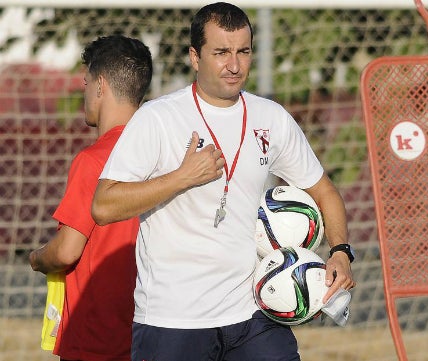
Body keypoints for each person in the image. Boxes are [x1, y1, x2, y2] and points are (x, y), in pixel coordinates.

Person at [91, 2, 355, 360]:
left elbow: (324, 191)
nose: (234, 65)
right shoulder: (158, 118)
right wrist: (181, 178)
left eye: (243, 52)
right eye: (221, 53)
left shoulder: (271, 117)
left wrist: (340, 251)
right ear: (194, 57)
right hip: (172, 319)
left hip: (252, 314)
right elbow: (104, 205)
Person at [29, 35, 153, 361]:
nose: (84, 93)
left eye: (85, 83)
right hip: (152, 335)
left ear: (100, 86)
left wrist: (38, 258)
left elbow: (67, 251)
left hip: (96, 341)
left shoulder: (94, 160)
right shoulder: (162, 156)